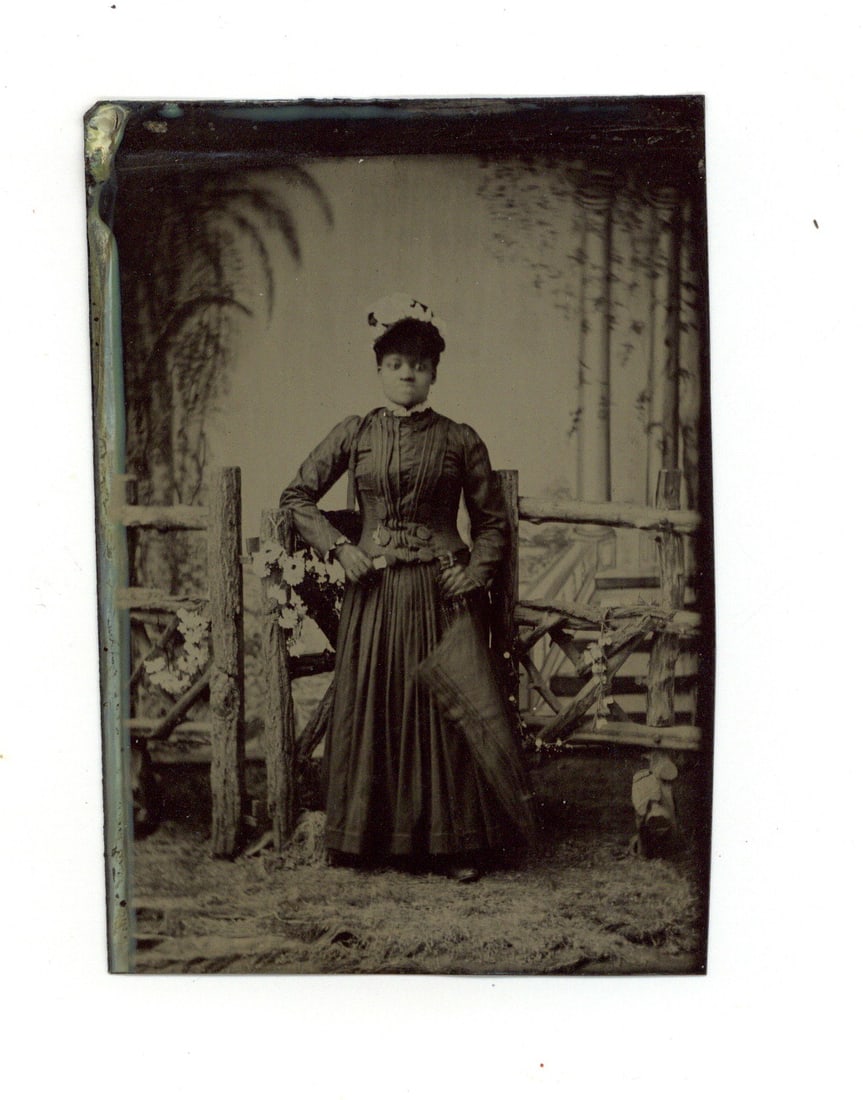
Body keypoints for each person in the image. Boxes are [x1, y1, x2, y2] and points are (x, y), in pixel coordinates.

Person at [280, 295, 533, 883]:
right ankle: (367, 840)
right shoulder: (357, 432)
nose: (408, 373)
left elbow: (491, 522)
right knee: (378, 707)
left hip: (442, 597)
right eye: (396, 363)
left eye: (420, 364)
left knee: (447, 712)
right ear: (379, 369)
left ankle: (455, 844)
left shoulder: (460, 439)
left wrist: (475, 573)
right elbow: (297, 498)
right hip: (376, 596)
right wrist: (342, 550)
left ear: (435, 372)